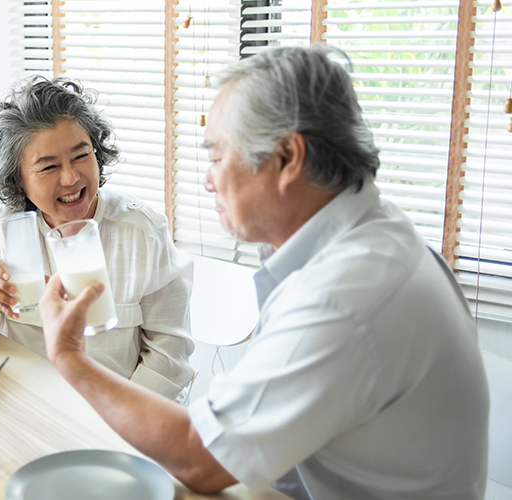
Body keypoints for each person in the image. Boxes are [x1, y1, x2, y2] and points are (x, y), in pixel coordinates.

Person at [37, 45, 490, 499]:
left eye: (217, 157)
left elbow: (200, 459)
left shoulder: (342, 299)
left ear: (288, 157)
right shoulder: (376, 232)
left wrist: (70, 356)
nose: (209, 180)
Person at [0, 75, 195, 401]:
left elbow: (170, 355)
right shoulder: (4, 227)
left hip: (118, 414)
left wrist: (117, 419)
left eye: (81, 156)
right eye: (48, 167)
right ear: (17, 180)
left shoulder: (141, 231)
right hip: (27, 404)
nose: (72, 177)